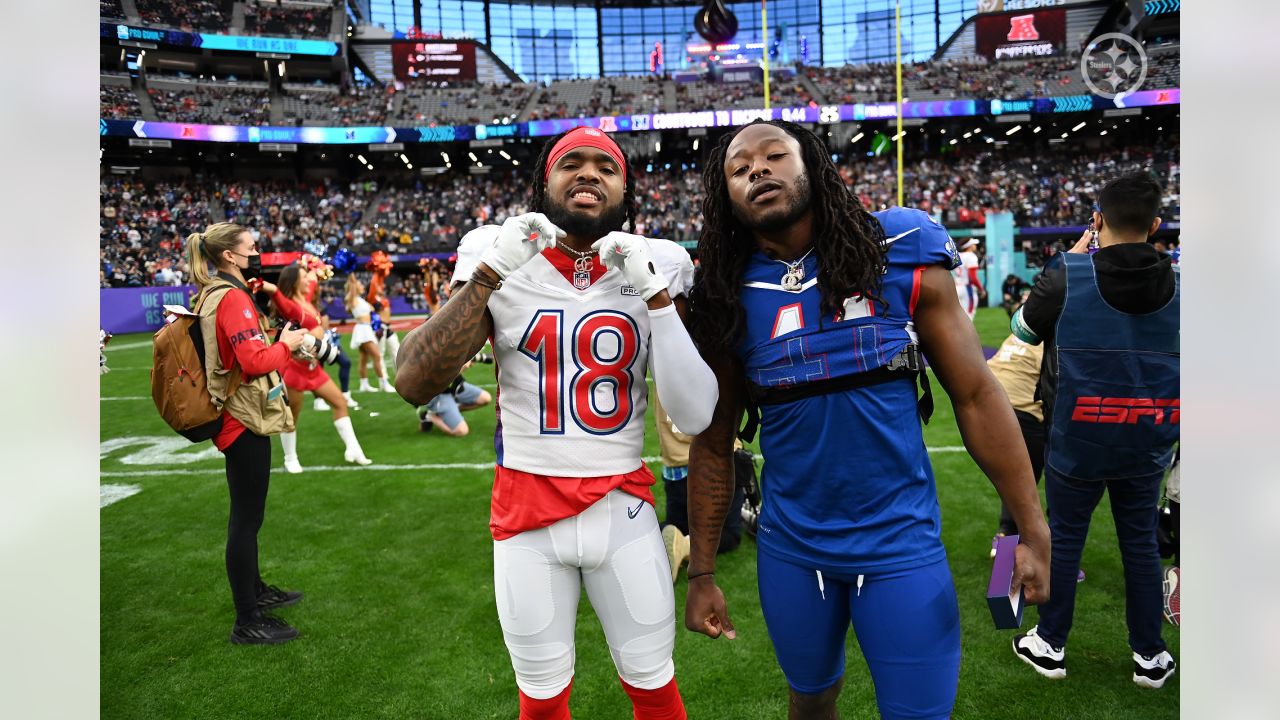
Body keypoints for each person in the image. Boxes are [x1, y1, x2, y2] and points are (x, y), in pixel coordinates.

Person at [684, 120, 1051, 720]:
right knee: (810, 699)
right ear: (724, 194)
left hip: (900, 543)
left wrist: (1031, 530)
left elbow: (978, 397)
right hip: (793, 549)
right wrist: (702, 571)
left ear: (815, 167)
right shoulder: (725, 291)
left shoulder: (899, 249)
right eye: (738, 167)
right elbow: (714, 443)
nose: (757, 169)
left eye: (775, 155)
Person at [394, 126, 717, 720]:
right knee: (540, 702)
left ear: (626, 186)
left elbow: (696, 415)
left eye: (606, 165)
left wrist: (656, 297)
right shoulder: (498, 249)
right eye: (572, 162)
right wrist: (492, 272)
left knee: (657, 690)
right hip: (525, 512)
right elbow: (413, 381)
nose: (588, 173)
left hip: (622, 507)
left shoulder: (659, 261)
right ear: (545, 180)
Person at [1009, 171, 1179, 689]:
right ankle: (1150, 655)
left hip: (1078, 434)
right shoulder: (1185, 283)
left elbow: (1022, 329)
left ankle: (1051, 644)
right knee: (1141, 547)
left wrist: (1078, 254)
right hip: (1148, 435)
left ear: (1098, 219)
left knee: (1063, 539)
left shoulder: (1069, 272)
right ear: (1153, 225)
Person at [184, 222, 311, 645]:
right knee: (246, 519)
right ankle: (247, 620)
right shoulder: (232, 297)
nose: (256, 253)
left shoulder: (215, 291)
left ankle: (255, 591)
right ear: (228, 256)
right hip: (242, 419)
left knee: (247, 517)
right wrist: (288, 345)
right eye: (250, 248)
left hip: (233, 414)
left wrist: (277, 339)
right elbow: (255, 361)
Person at [262, 264, 372, 472]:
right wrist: (269, 288)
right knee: (292, 415)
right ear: (294, 282)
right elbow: (278, 296)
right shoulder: (292, 306)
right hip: (295, 369)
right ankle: (290, 458)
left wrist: (315, 267)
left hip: (313, 367)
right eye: (302, 278)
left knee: (339, 401)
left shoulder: (306, 296)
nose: (307, 281)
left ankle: (353, 449)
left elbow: (313, 279)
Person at [651, 387, 748, 583]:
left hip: (675, 470)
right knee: (728, 534)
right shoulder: (710, 358)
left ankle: (642, 537)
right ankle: (685, 545)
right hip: (715, 463)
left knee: (677, 525)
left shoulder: (661, 360)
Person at [344, 274, 392, 392]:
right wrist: (350, 272)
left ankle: (364, 384)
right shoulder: (353, 299)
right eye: (359, 284)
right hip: (362, 330)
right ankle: (384, 383)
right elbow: (352, 282)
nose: (362, 286)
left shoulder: (360, 300)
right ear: (354, 287)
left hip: (366, 329)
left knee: (363, 358)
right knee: (376, 355)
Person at [953, 238, 985, 320]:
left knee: (959, 317)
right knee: (969, 316)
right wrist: (981, 289)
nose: (975, 246)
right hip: (967, 289)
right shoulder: (971, 256)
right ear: (969, 246)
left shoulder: (957, 255)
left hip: (957, 288)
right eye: (973, 244)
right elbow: (973, 278)